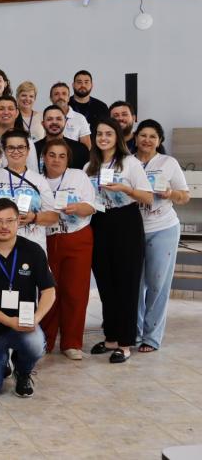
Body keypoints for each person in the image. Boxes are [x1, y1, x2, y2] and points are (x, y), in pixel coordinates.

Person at [0, 198, 56, 398]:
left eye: (10, 220)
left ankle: (23, 371)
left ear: (18, 222)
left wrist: (36, 318)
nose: (4, 226)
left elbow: (49, 291)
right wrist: (9, 321)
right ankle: (0, 361)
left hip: (24, 325)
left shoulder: (33, 251)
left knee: (36, 343)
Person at [84, 118, 152, 363]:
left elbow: (148, 197)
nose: (103, 138)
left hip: (126, 224)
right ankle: (111, 337)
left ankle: (125, 343)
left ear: (117, 137)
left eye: (108, 134)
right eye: (99, 134)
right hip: (99, 223)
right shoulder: (88, 167)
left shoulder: (130, 163)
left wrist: (125, 189)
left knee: (127, 284)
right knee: (105, 283)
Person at [134, 120, 190, 352]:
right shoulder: (127, 161)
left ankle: (151, 336)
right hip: (133, 231)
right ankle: (133, 333)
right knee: (134, 285)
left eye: (153, 136)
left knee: (157, 283)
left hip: (163, 228)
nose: (147, 140)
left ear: (160, 141)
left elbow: (184, 196)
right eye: (143, 135)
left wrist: (169, 193)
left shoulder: (168, 163)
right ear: (135, 137)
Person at [39, 139, 96, 359]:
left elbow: (91, 205)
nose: (56, 160)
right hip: (48, 240)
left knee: (75, 292)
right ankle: (46, 339)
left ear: (68, 159)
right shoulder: (37, 179)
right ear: (44, 157)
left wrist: (79, 208)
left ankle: (72, 342)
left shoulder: (78, 176)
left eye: (62, 156)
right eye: (52, 155)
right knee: (49, 291)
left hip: (77, 238)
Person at [0, 129, 58, 253]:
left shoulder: (39, 180)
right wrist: (4, 218)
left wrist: (34, 217)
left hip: (33, 248)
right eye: (11, 148)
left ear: (28, 150)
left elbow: (53, 216)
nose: (16, 151)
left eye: (21, 147)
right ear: (4, 150)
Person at [34, 105, 90, 172]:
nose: (54, 122)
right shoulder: (33, 149)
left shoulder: (80, 150)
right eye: (49, 119)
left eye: (58, 119)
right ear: (43, 124)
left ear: (65, 122)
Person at [0, 96, 39, 171]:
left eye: (10, 109)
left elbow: (33, 172)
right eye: (1, 109)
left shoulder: (26, 141)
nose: (6, 112)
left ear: (17, 113)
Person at [48, 82, 92, 149]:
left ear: (68, 98)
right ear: (51, 98)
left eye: (64, 94)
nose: (60, 97)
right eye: (56, 94)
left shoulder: (80, 118)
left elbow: (86, 147)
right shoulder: (44, 117)